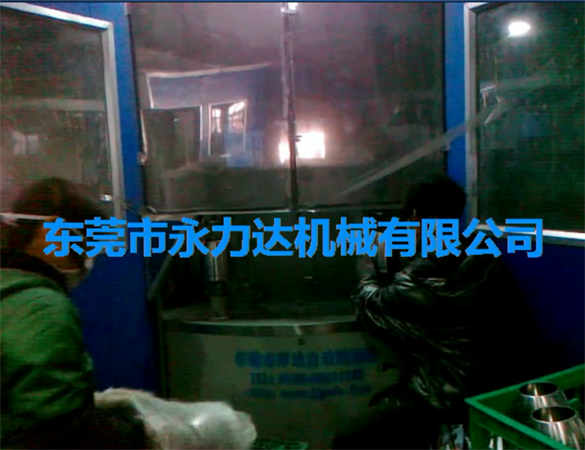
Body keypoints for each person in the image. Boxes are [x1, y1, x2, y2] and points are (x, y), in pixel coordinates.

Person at [333, 175, 530, 450]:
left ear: (414, 216)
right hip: (495, 390)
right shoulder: (485, 254)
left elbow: (369, 306)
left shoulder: (418, 282)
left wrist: (367, 264)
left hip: (443, 398)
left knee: (348, 440)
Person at [0, 177, 148, 449]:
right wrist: (134, 432)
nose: (88, 259)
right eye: (87, 245)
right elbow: (54, 428)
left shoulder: (10, 289)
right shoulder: (41, 307)